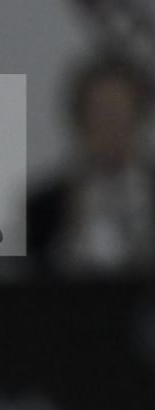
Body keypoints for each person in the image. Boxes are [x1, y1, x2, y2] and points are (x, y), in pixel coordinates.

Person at [26, 52, 155, 278]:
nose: (111, 128)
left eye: (120, 114)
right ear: (80, 121)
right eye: (100, 116)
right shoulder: (44, 205)